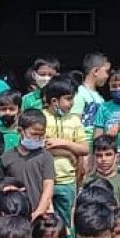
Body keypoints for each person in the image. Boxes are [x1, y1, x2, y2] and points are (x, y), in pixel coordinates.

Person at [42, 76, 88, 223]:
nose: (72, 103)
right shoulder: (41, 117)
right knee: (44, 221)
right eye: (68, 99)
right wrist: (69, 152)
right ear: (54, 101)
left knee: (65, 223)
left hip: (67, 181)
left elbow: (85, 149)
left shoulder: (74, 120)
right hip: (44, 180)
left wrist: (61, 143)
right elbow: (42, 147)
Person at [0, 108, 55, 219]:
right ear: (20, 131)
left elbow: (48, 187)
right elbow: (1, 187)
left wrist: (38, 213)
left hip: (40, 215)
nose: (38, 138)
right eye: (34, 134)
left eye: (41, 135)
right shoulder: (6, 158)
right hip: (15, 216)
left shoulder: (45, 156)